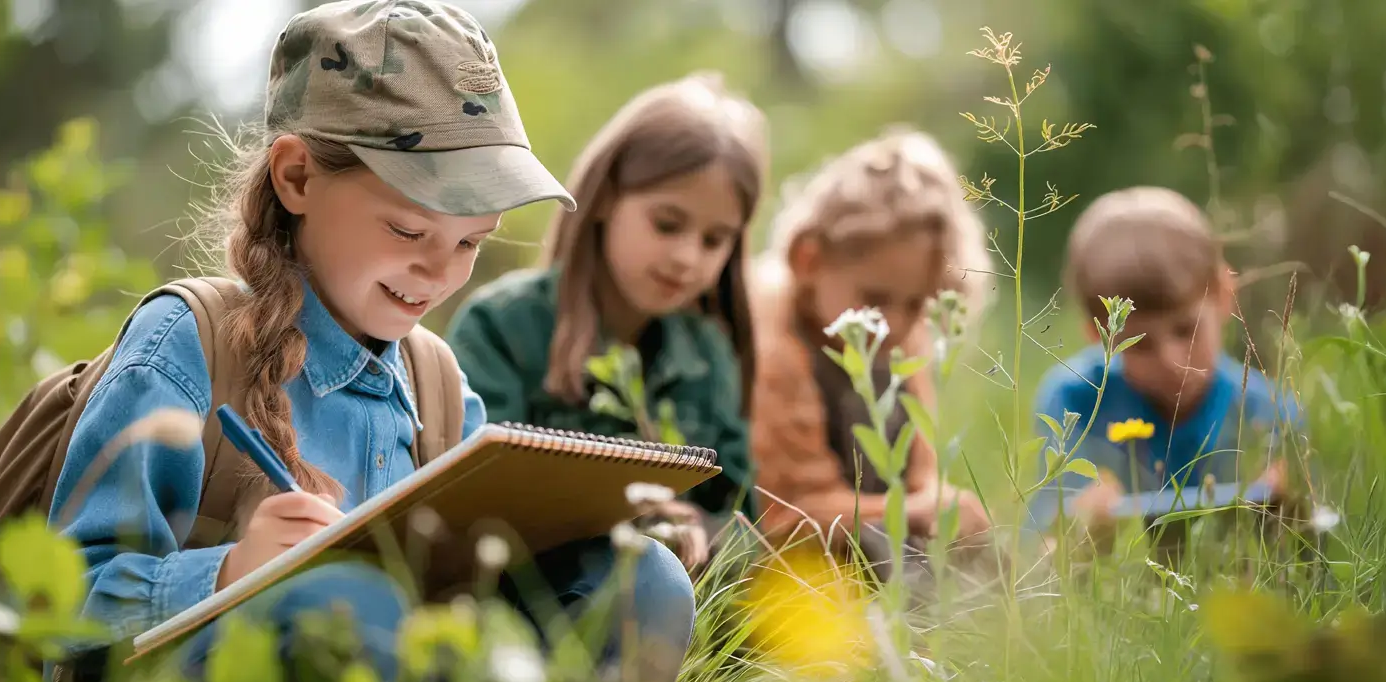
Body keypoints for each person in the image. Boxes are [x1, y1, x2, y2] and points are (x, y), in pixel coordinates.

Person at [43, 2, 695, 682]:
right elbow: (62, 605)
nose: (440, 272)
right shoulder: (185, 346)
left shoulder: (434, 382)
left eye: (471, 243)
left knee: (643, 578)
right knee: (345, 607)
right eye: (408, 227)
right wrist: (233, 568)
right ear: (296, 178)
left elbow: (481, 569)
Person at [444, 72, 767, 574]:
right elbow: (470, 505)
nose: (687, 257)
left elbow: (745, 519)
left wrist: (698, 532)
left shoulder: (710, 356)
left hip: (687, 612)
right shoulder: (501, 329)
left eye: (714, 240)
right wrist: (623, 520)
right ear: (607, 199)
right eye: (667, 224)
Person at [747, 127, 996, 586]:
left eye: (917, 303)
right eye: (876, 299)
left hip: (880, 540)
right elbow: (787, 511)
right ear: (809, 260)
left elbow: (921, 474)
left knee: (989, 564)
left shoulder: (902, 344)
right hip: (798, 566)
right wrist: (913, 511)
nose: (897, 324)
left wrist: (941, 508)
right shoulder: (774, 344)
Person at [1025, 186, 1304, 556]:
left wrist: (1287, 504)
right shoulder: (1074, 401)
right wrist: (1079, 526)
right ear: (1097, 334)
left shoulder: (1268, 410)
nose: (1173, 361)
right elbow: (1044, 546)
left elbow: (1308, 539)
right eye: (1139, 344)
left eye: (1186, 330)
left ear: (1223, 295)